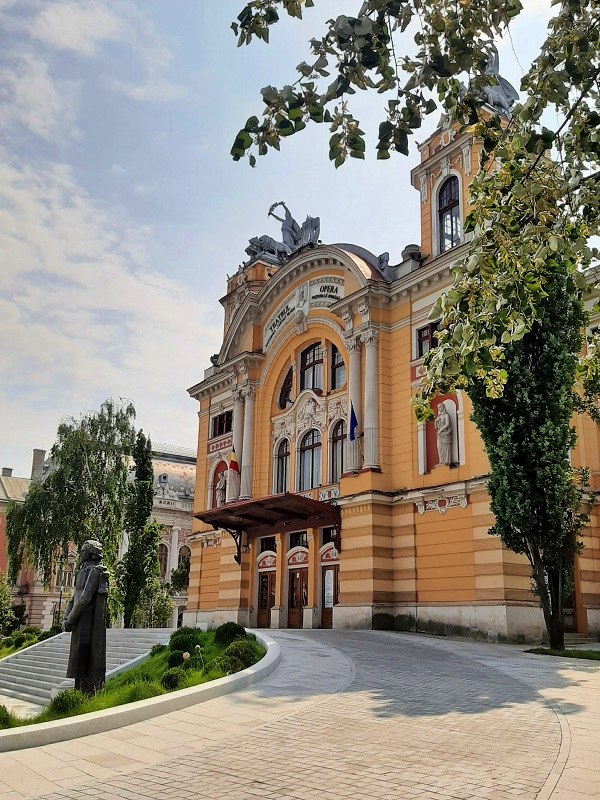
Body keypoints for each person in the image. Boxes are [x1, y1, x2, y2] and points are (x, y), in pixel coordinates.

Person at [63, 539, 108, 695]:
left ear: (90, 553)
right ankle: (80, 694)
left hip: (88, 623)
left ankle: (87, 694)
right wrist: (66, 617)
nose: (80, 553)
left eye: (83, 550)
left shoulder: (95, 571)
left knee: (86, 660)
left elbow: (85, 597)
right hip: (79, 621)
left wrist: (70, 619)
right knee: (79, 664)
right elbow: (74, 597)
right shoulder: (83, 570)